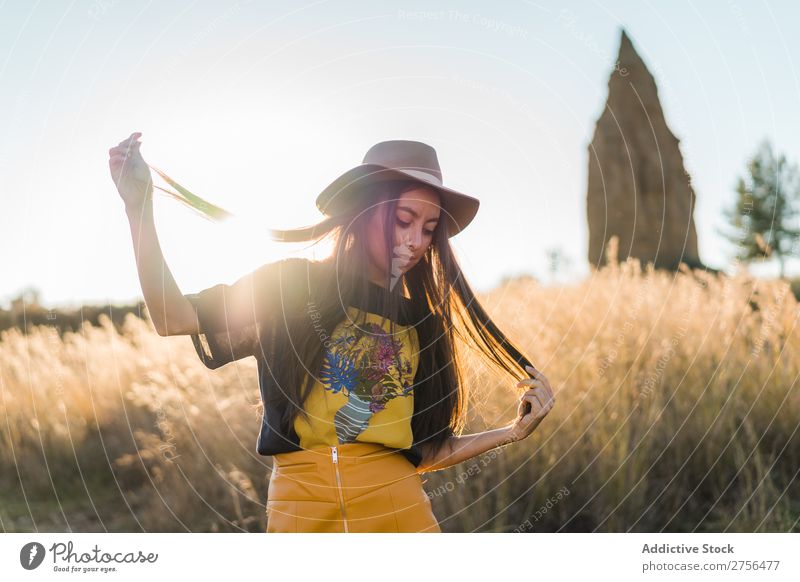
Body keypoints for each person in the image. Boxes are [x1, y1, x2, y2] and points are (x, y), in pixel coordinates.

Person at [108, 132, 556, 533]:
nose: (417, 240)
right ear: (364, 212)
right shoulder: (289, 286)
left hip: (399, 516)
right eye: (404, 219)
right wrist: (138, 209)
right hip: (299, 511)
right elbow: (173, 317)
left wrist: (510, 432)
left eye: (429, 228)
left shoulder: (424, 323)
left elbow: (426, 452)